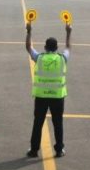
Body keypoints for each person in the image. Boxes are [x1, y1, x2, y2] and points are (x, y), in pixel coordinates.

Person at [25, 22, 71, 158]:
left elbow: (28, 47)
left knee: (38, 123)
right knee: (58, 123)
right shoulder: (62, 58)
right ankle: (59, 150)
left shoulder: (39, 58)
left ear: (45, 47)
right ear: (57, 48)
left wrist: (29, 31)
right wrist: (68, 32)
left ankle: (34, 150)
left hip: (41, 97)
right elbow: (68, 47)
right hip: (57, 97)